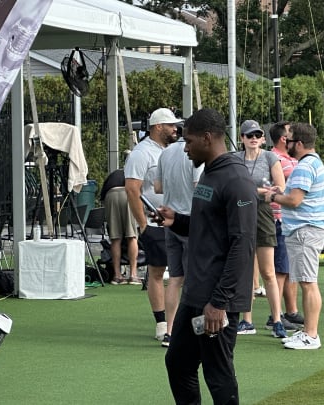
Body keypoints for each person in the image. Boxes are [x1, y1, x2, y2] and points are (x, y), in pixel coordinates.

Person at [160, 108, 256, 404]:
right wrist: (177, 220)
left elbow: (242, 245)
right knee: (178, 363)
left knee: (218, 374)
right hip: (196, 295)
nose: (185, 148)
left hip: (216, 300)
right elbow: (208, 227)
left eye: (188, 141)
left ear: (207, 137)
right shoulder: (210, 173)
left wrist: (220, 303)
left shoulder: (236, 180)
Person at [266, 122, 324, 349]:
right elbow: (294, 195)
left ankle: (311, 335)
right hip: (307, 228)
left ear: (299, 144)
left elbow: (294, 201)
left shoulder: (304, 166)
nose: (286, 143)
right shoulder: (311, 162)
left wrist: (272, 197)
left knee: (308, 282)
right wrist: (280, 193)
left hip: (305, 229)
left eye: (289, 140)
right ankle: (308, 331)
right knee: (306, 281)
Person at [125, 107, 180, 342]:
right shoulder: (141, 153)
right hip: (154, 224)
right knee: (157, 272)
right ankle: (162, 323)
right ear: (159, 127)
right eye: (171, 125)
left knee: (179, 274)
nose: (175, 129)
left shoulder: (174, 151)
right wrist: (143, 225)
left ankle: (176, 321)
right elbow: (132, 189)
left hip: (177, 221)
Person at [235, 120, 288, 339]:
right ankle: (246, 320)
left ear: (263, 138)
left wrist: (252, 191)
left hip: (264, 214)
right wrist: (258, 190)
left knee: (268, 272)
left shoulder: (269, 157)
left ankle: (277, 319)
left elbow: (280, 188)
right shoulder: (235, 159)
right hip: (240, 214)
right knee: (245, 271)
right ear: (242, 138)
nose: (253, 138)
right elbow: (235, 187)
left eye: (257, 134)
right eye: (249, 135)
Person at [154, 128, 203, 347]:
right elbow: (198, 186)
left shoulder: (165, 153)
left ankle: (170, 330)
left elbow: (157, 186)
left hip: (169, 220)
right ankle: (191, 330)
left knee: (175, 279)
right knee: (195, 278)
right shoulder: (193, 154)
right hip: (189, 221)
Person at [268, 121, 304, 327]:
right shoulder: (275, 159)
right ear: (284, 139)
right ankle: (277, 314)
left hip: (290, 220)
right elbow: (280, 188)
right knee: (280, 268)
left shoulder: (293, 158)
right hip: (278, 218)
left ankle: (291, 311)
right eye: (291, 133)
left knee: (288, 268)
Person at [99, 169, 140, 285]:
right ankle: (133, 275)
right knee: (132, 236)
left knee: (115, 238)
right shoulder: (133, 173)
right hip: (127, 193)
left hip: (110, 195)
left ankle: (117, 276)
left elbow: (102, 198)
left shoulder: (114, 174)